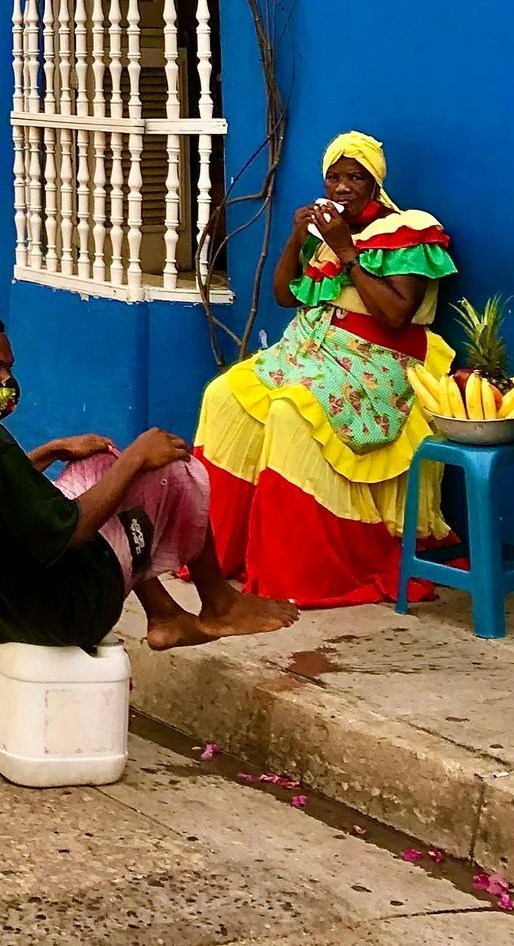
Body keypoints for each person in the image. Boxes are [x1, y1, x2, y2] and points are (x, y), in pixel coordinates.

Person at [0, 308, 297, 653]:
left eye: (8, 368)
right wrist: (139, 457)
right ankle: (220, 605)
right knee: (172, 470)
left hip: (2, 607)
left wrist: (52, 451)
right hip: (67, 612)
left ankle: (165, 614)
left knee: (93, 470)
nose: (5, 381)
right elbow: (72, 531)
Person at [195, 129, 458, 608]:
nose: (341, 187)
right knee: (225, 395)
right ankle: (220, 552)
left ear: (375, 184)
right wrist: (298, 238)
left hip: (378, 362)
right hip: (310, 351)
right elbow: (283, 295)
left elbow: (396, 315)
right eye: (333, 177)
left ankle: (298, 566)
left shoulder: (406, 231)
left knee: (293, 411)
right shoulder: (326, 235)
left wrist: (347, 251)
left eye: (354, 177)